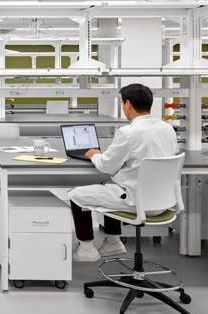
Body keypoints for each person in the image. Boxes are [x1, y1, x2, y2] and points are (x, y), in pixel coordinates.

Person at [69, 83, 178, 262]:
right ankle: (113, 242)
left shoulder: (128, 132)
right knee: (110, 186)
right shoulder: (167, 128)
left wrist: (95, 155)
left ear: (127, 104)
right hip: (163, 202)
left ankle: (86, 249)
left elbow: (106, 166)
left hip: (138, 202)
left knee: (76, 195)